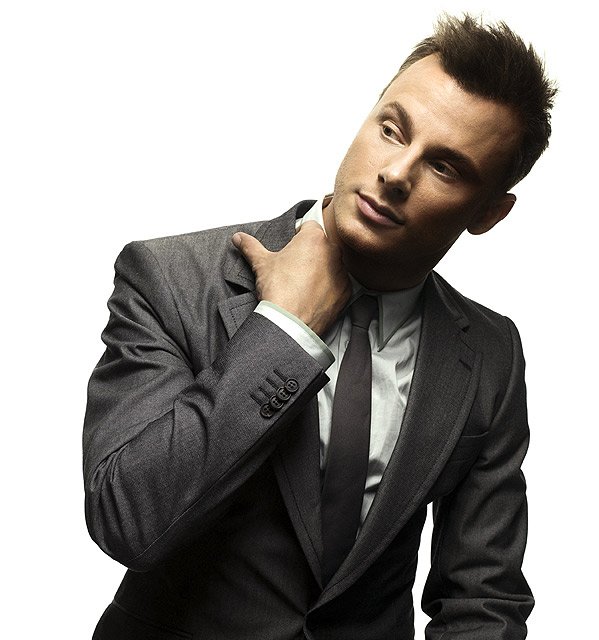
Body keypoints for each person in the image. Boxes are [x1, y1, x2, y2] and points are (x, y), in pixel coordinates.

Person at [83, 14, 556, 640]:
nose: (396, 173)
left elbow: (484, 597)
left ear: (489, 213)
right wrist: (283, 331)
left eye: (444, 167)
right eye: (392, 129)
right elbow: (126, 518)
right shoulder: (174, 279)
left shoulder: (490, 354)